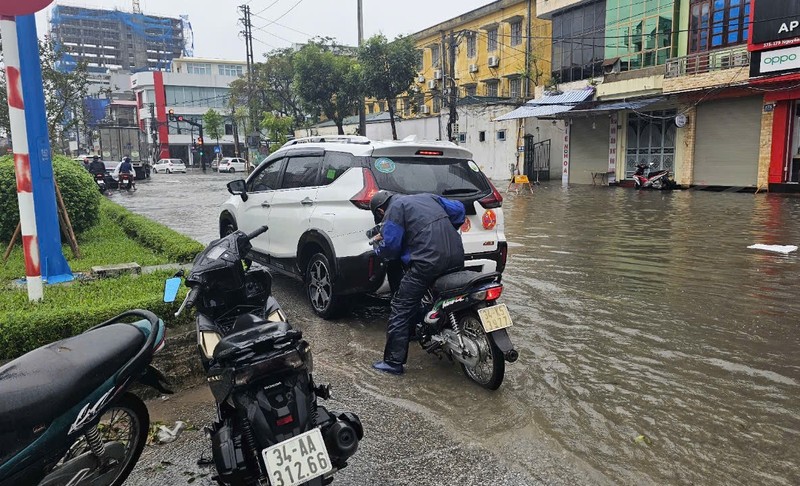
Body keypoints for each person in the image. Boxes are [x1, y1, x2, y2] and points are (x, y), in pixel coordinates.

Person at [369, 190, 466, 375]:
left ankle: (393, 362)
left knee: (401, 307)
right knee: (447, 300)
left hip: (427, 263)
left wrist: (377, 247)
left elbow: (391, 248)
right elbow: (459, 210)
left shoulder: (394, 209)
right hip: (456, 256)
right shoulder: (429, 197)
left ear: (381, 211)